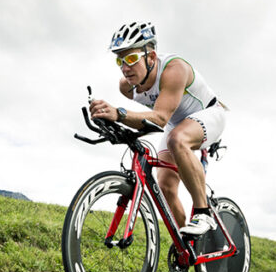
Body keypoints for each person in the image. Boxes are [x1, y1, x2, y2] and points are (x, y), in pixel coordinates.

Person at [89, 21, 227, 238]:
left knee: (177, 139)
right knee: (165, 185)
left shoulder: (174, 69)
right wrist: (108, 121)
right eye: (120, 60)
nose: (125, 68)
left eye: (132, 58)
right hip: (176, 122)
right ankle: (187, 249)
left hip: (209, 115)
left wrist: (118, 113)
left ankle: (203, 212)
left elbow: (160, 118)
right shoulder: (127, 86)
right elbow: (149, 119)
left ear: (151, 57)